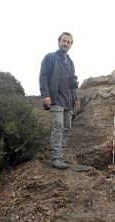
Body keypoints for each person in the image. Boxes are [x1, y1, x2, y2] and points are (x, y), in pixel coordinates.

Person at [39, 31, 80, 170]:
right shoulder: (50, 58)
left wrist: (76, 98)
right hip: (56, 100)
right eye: (64, 41)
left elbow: (72, 83)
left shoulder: (71, 63)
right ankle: (56, 159)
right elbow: (43, 76)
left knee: (67, 128)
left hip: (68, 101)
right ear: (59, 42)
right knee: (58, 127)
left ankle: (61, 156)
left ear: (71, 45)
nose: (66, 44)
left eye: (68, 42)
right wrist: (45, 95)